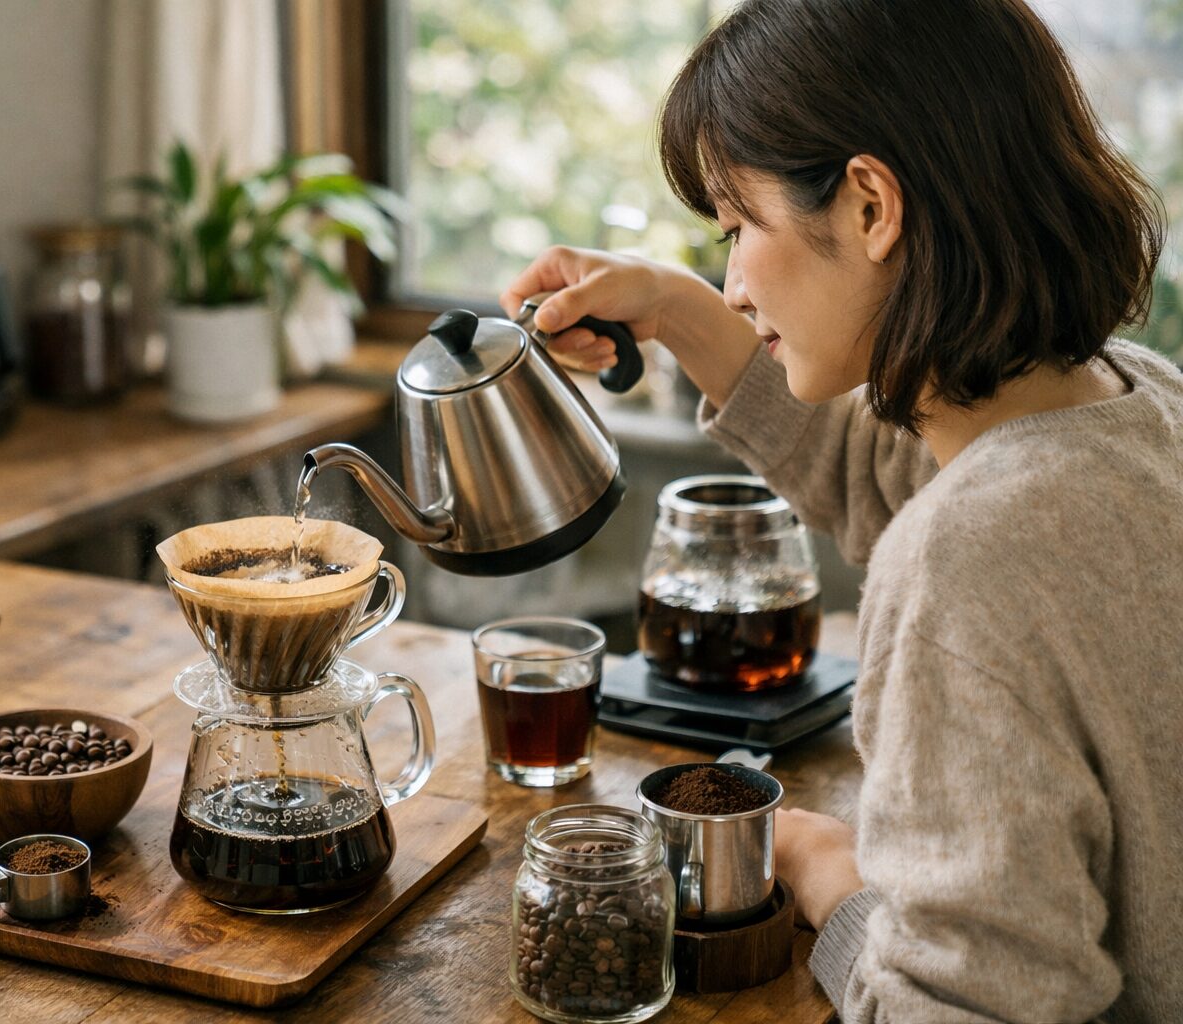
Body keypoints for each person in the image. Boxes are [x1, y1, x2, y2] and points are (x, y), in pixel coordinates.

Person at [502, 1, 1183, 1020]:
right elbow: (894, 470)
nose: (733, 286)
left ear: (871, 204)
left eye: (740, 229)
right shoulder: (1140, 400)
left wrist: (831, 876)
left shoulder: (971, 555)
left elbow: (955, 1008)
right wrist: (676, 306)